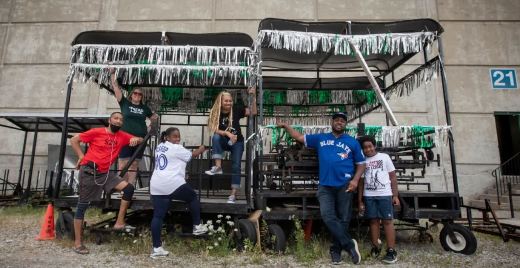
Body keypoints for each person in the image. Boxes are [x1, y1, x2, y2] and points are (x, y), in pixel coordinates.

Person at [277, 112, 365, 265]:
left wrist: (356, 180)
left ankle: (335, 251)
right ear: (332, 122)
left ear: (345, 124)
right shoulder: (321, 138)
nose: (339, 122)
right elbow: (299, 137)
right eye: (337, 120)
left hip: (345, 184)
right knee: (327, 216)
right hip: (325, 185)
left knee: (344, 219)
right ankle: (350, 245)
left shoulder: (352, 142)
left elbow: (361, 163)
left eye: (342, 121)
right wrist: (286, 126)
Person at [70, 112, 144, 254]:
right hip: (89, 171)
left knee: (128, 189)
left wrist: (136, 139)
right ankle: (78, 243)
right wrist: (81, 156)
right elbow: (74, 140)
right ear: (109, 120)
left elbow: (140, 139)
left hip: (105, 173)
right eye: (115, 118)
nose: (118, 121)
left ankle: (119, 222)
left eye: (121, 119)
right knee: (82, 206)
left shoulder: (122, 136)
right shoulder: (96, 132)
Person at [149, 127, 208, 258]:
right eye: (175, 137)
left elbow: (173, 162)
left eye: (178, 136)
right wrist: (202, 149)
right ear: (167, 137)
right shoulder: (177, 148)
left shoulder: (159, 146)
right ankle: (197, 226)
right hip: (171, 183)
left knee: (158, 216)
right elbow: (192, 155)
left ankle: (157, 249)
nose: (177, 139)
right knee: (192, 197)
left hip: (156, 185)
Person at [204, 88, 256, 203]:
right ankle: (218, 167)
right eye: (226, 101)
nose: (228, 103)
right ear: (220, 102)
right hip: (223, 140)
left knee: (236, 166)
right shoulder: (215, 112)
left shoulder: (236, 109)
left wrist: (254, 96)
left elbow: (253, 112)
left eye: (230, 101)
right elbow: (213, 128)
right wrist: (227, 133)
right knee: (216, 137)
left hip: (237, 142)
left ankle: (233, 194)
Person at [110, 71, 158, 186]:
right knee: (123, 164)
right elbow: (116, 88)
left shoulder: (144, 108)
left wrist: (153, 122)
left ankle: (130, 188)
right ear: (131, 94)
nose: (137, 95)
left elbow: (153, 117)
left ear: (142, 97)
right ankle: (122, 186)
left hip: (140, 139)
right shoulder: (125, 103)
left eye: (140, 94)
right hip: (125, 138)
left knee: (134, 164)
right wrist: (112, 74)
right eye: (135, 93)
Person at [357, 135, 399, 264]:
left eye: (370, 146)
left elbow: (393, 177)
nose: (368, 149)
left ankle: (391, 251)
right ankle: (376, 247)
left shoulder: (384, 157)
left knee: (387, 221)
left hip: (385, 194)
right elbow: (361, 182)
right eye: (365, 147)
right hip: (369, 196)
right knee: (373, 221)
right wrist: (360, 201)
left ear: (374, 146)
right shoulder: (363, 161)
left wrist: (395, 195)